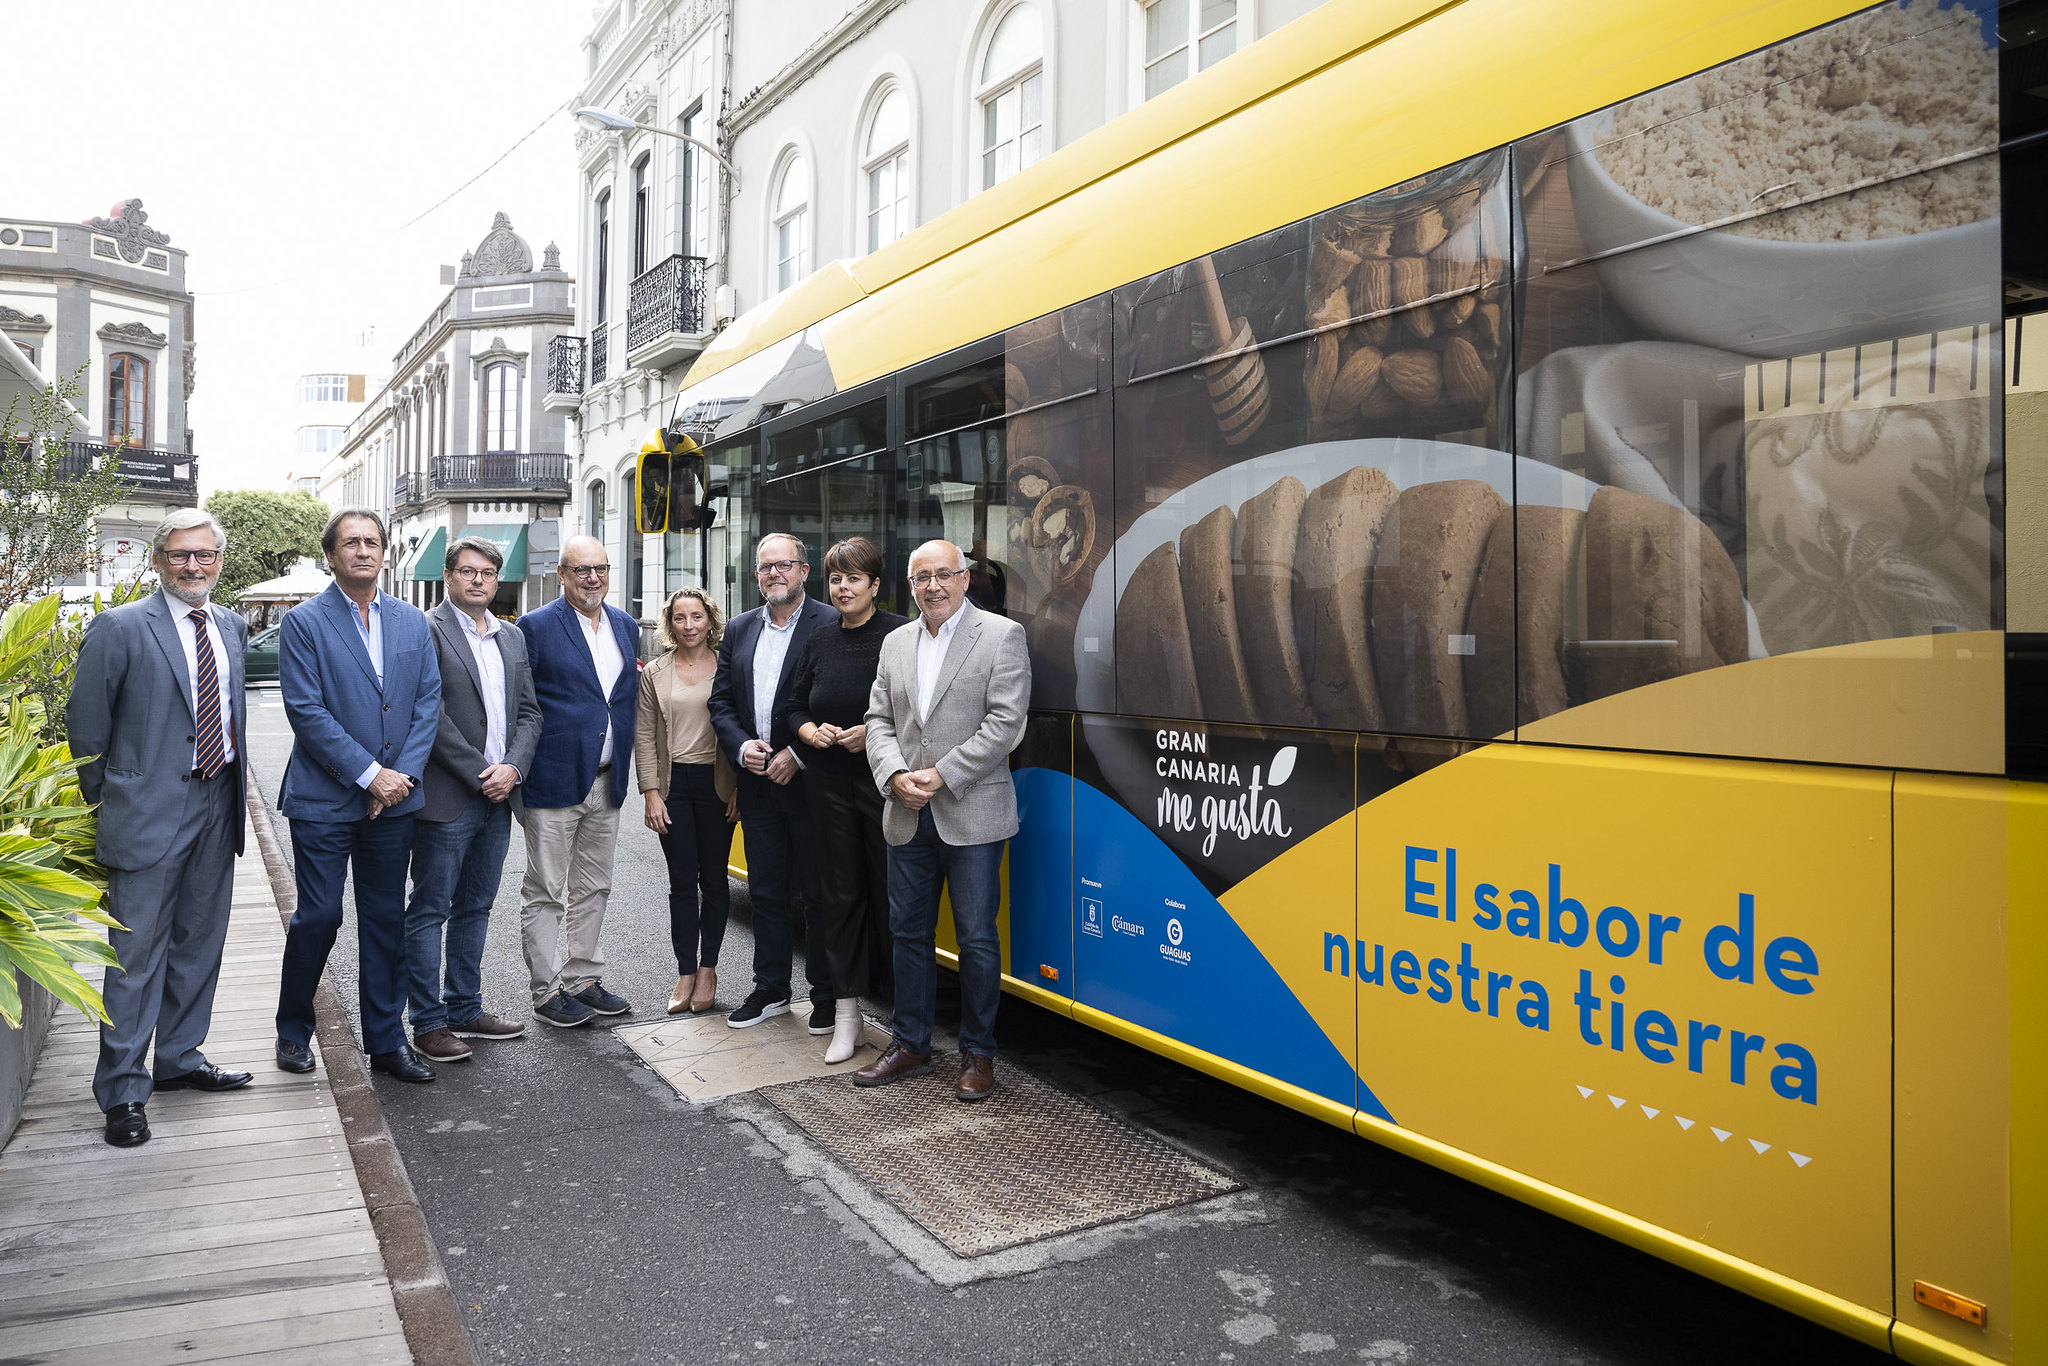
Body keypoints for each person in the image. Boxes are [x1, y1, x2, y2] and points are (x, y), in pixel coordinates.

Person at [68, 509, 252, 1148]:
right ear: (157, 560)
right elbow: (86, 727)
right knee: (135, 959)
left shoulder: (229, 625)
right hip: (145, 815)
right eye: (180, 555)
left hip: (216, 807)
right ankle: (122, 1089)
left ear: (219, 561)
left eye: (205, 555)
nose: (193, 566)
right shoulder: (119, 628)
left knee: (199, 945)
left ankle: (178, 1058)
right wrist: (115, 801)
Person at [854, 539, 1030, 1102]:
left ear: (964, 578)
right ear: (910, 586)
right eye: (922, 577)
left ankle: (978, 1054)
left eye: (943, 575)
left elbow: (1006, 724)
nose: (933, 586)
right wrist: (894, 775)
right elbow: (877, 719)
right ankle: (911, 1043)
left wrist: (941, 774)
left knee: (977, 939)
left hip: (971, 810)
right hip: (905, 809)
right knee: (907, 933)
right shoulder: (896, 642)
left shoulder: (1002, 636)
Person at [274, 508, 442, 1084]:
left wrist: (401, 779)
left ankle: (387, 1042)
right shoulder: (304, 622)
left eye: (372, 542)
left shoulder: (412, 622)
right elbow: (307, 712)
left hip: (395, 802)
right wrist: (371, 775)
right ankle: (293, 1029)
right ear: (331, 555)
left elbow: (426, 706)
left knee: (384, 921)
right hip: (324, 798)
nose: (363, 551)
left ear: (385, 552)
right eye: (351, 543)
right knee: (319, 916)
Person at [404, 536, 543, 1064]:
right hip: (448, 796)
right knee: (430, 908)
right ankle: (429, 1022)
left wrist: (512, 768)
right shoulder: (426, 630)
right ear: (449, 576)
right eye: (468, 572)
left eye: (488, 572)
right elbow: (427, 713)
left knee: (477, 907)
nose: (479, 580)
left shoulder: (511, 637)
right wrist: (481, 771)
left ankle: (465, 1008)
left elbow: (528, 712)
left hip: (500, 796)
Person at [779, 537, 906, 1064]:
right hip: (827, 785)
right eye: (836, 579)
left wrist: (868, 734)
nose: (843, 587)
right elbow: (790, 705)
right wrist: (809, 733)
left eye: (854, 578)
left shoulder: (900, 635)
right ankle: (847, 1019)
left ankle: (905, 1023)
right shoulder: (820, 639)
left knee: (892, 900)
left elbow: (917, 710)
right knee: (839, 899)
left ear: (875, 585)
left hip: (884, 786)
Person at [708, 532, 838, 1030]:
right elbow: (720, 702)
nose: (774, 574)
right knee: (764, 892)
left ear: (805, 571)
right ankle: (770, 989)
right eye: (765, 567)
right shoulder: (740, 630)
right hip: (758, 783)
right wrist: (743, 748)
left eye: (784, 565)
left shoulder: (831, 623)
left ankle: (825, 995)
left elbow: (842, 703)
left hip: (815, 784)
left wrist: (798, 755)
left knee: (819, 893)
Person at [515, 534, 640, 1028]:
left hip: (606, 781)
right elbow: (521, 707)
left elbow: (623, 701)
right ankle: (546, 992)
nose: (593, 578)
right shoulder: (535, 628)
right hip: (552, 780)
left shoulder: (626, 626)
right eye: (581, 570)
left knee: (594, 887)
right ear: (562, 574)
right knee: (546, 889)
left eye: (601, 569)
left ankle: (582, 978)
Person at [636, 587, 739, 1015]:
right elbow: (644, 736)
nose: (689, 626)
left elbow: (744, 728)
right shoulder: (655, 672)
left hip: (718, 784)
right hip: (673, 785)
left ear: (710, 622)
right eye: (680, 618)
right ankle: (684, 970)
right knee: (682, 882)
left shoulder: (730, 669)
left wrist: (741, 788)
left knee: (715, 880)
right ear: (670, 624)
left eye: (697, 617)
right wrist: (651, 794)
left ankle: (709, 969)